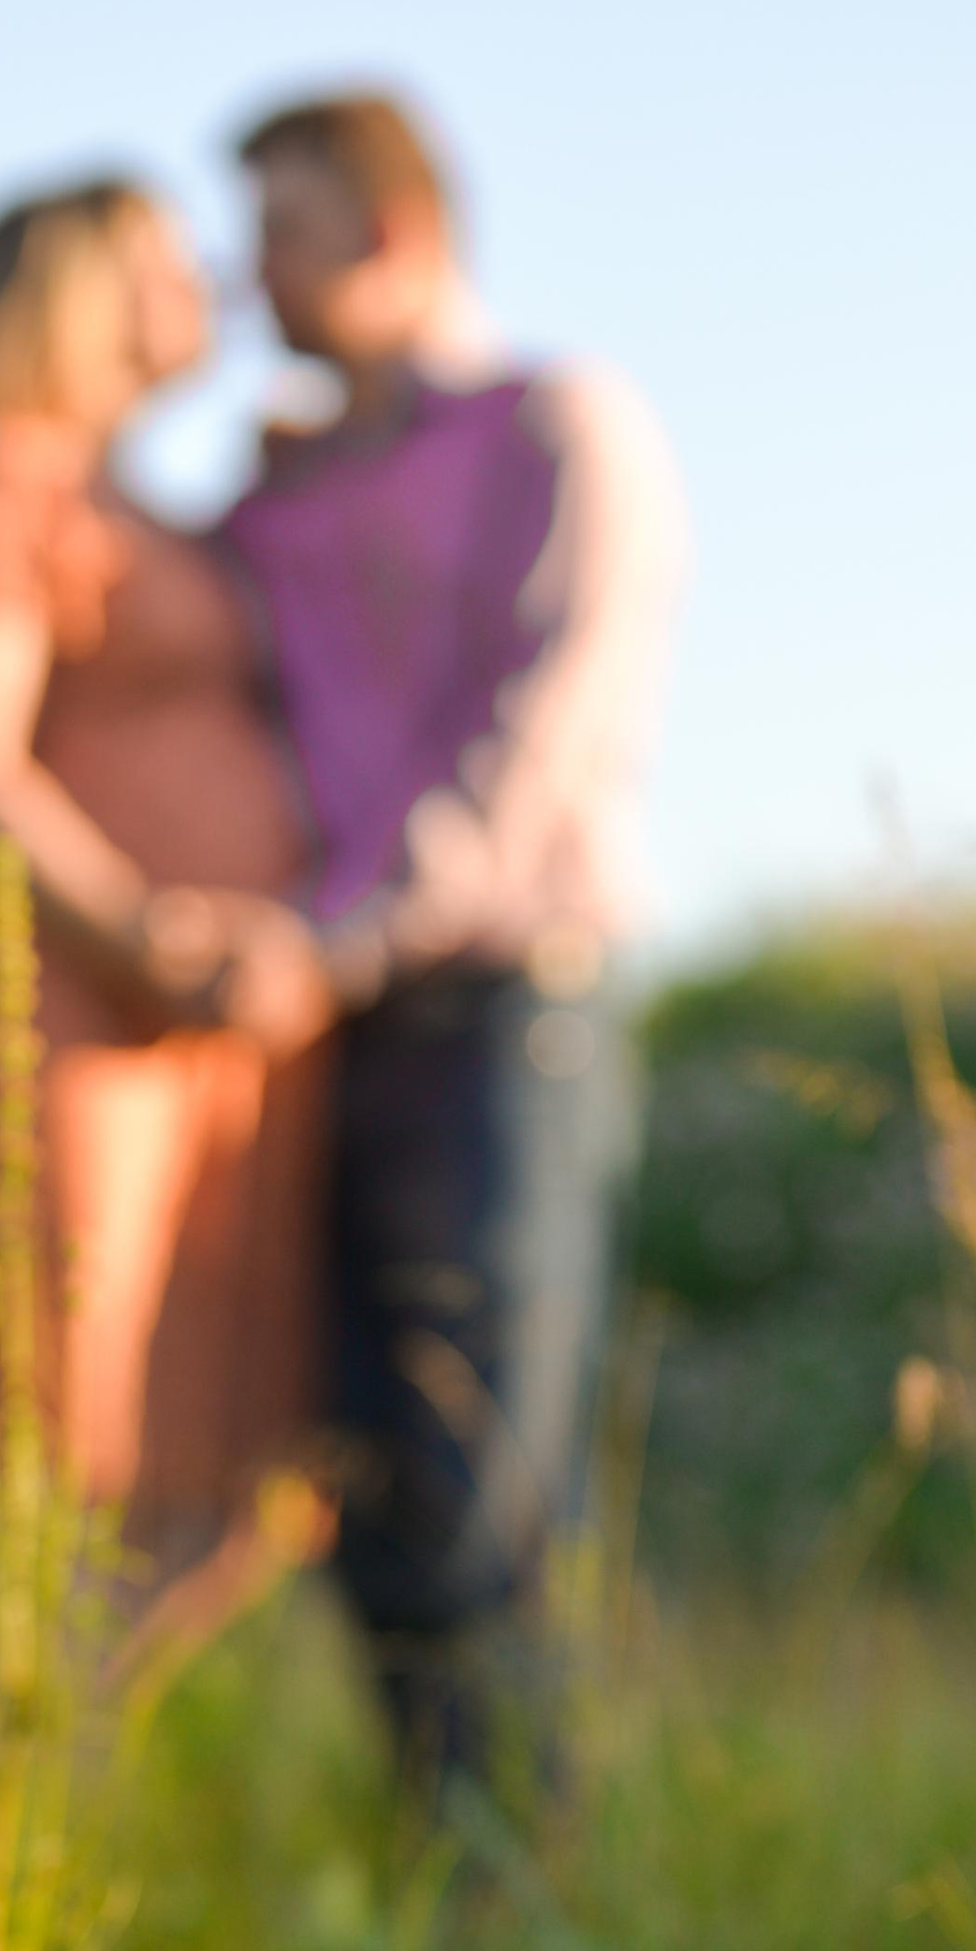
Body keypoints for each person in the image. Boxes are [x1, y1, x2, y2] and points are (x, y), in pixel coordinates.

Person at [215, 90, 689, 1793]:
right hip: (314, 1025)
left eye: (280, 228)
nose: (244, 272)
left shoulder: (556, 428)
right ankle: (440, 1878)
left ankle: (520, 1906)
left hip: (502, 1008)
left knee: (481, 1469)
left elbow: (539, 736)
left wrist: (332, 939)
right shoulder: (269, 499)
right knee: (354, 1467)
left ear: (395, 236)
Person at [0, 177, 334, 1582]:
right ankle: (25, 1770)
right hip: (70, 1004)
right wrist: (141, 931)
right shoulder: (11, 487)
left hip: (201, 1029)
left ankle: (91, 1766)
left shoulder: (184, 517)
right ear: (83, 291)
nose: (213, 285)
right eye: (169, 262)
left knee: (217, 1458)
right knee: (56, 1418)